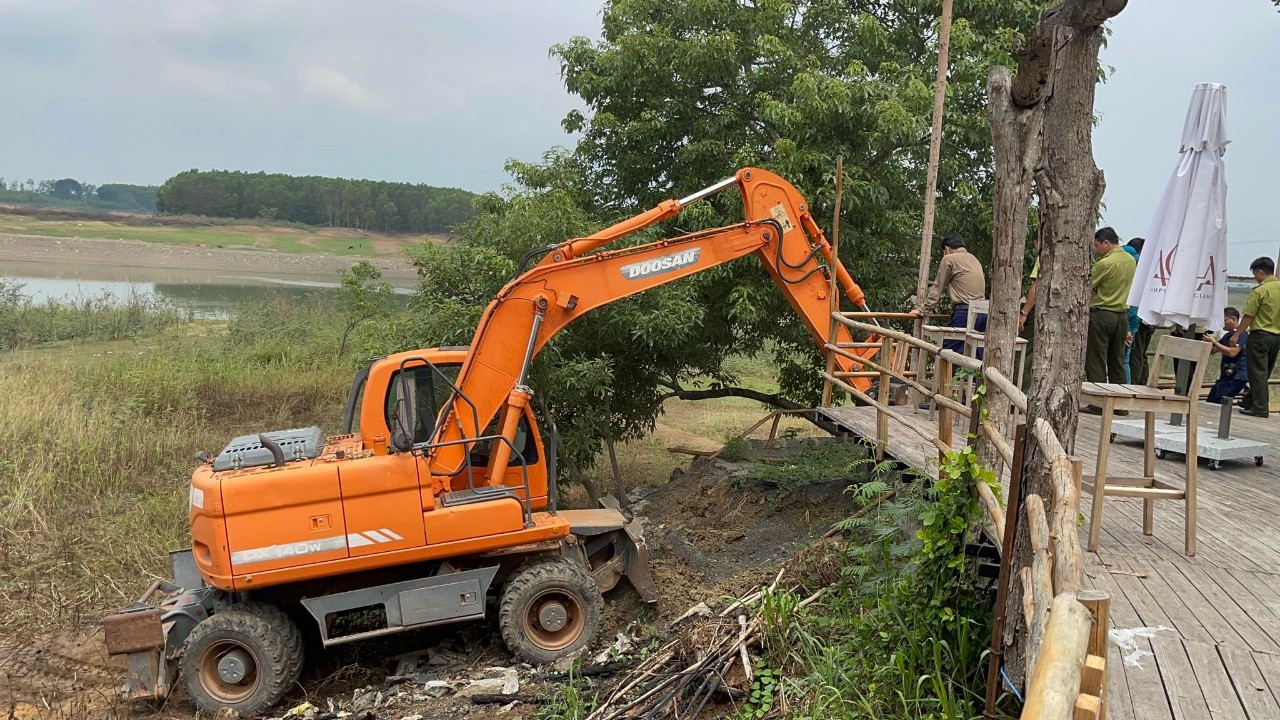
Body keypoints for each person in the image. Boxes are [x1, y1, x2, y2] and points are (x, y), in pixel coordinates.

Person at [1083, 227, 1136, 412]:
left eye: (1097, 245)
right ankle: (1120, 404)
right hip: (1122, 315)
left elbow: (1086, 286)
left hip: (1101, 314)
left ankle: (1098, 403)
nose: (1097, 250)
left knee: (1096, 359)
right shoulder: (1131, 261)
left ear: (1106, 242)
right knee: (1117, 360)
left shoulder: (1104, 264)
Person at [910, 234, 987, 355]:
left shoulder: (949, 259)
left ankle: (949, 374)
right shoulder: (974, 259)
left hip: (965, 312)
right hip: (982, 313)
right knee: (975, 353)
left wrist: (922, 310)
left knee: (948, 352)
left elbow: (938, 286)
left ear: (946, 249)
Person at [1232, 256, 1280, 418]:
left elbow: (1248, 316)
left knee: (1256, 372)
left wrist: (1237, 334)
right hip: (1276, 337)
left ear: (1260, 272)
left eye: (1254, 274)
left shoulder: (1260, 291)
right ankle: (1249, 400)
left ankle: (1260, 407)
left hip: (1260, 335)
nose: (1254, 277)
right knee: (1264, 372)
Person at [1204, 307, 1248, 404]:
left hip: (1237, 376)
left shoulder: (1241, 335)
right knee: (1212, 400)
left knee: (1219, 401)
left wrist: (1214, 342)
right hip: (1226, 376)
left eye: (1224, 320)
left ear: (1233, 319)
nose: (1222, 324)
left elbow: (1232, 353)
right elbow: (1213, 350)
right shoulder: (1227, 335)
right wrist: (1205, 339)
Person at [1121, 238, 1147, 383]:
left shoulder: (1127, 267)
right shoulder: (1143, 268)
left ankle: (1127, 388)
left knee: (1124, 358)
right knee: (1129, 356)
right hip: (1138, 315)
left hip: (1128, 315)